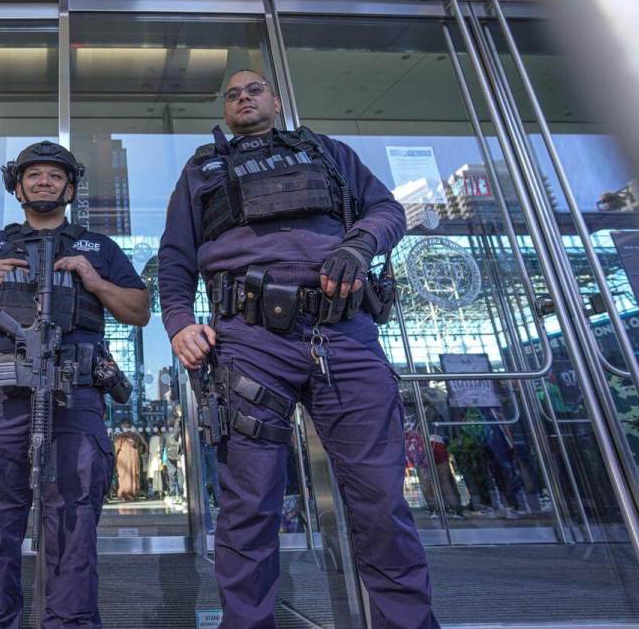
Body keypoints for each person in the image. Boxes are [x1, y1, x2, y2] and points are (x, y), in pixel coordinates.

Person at [158, 69, 438, 629]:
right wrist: (179, 322)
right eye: (232, 94)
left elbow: (388, 211)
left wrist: (360, 246)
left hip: (345, 335)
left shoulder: (328, 150)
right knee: (249, 508)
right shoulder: (200, 169)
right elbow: (175, 257)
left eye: (253, 89)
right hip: (248, 341)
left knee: (380, 504)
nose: (243, 99)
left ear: (277, 100)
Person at [0, 141, 150, 629]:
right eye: (34, 175)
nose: (44, 183)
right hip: (2, 402)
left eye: (55, 176)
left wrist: (95, 281)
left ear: (70, 188)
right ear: (18, 186)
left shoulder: (96, 247)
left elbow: (138, 311)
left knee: (74, 528)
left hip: (75, 400)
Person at [112, 420, 144, 502]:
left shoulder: (120, 437)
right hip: (134, 459)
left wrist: (113, 460)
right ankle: (133, 494)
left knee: (123, 477)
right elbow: (142, 448)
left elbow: (115, 449)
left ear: (122, 426)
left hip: (123, 460)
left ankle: (124, 495)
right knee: (134, 476)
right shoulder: (135, 436)